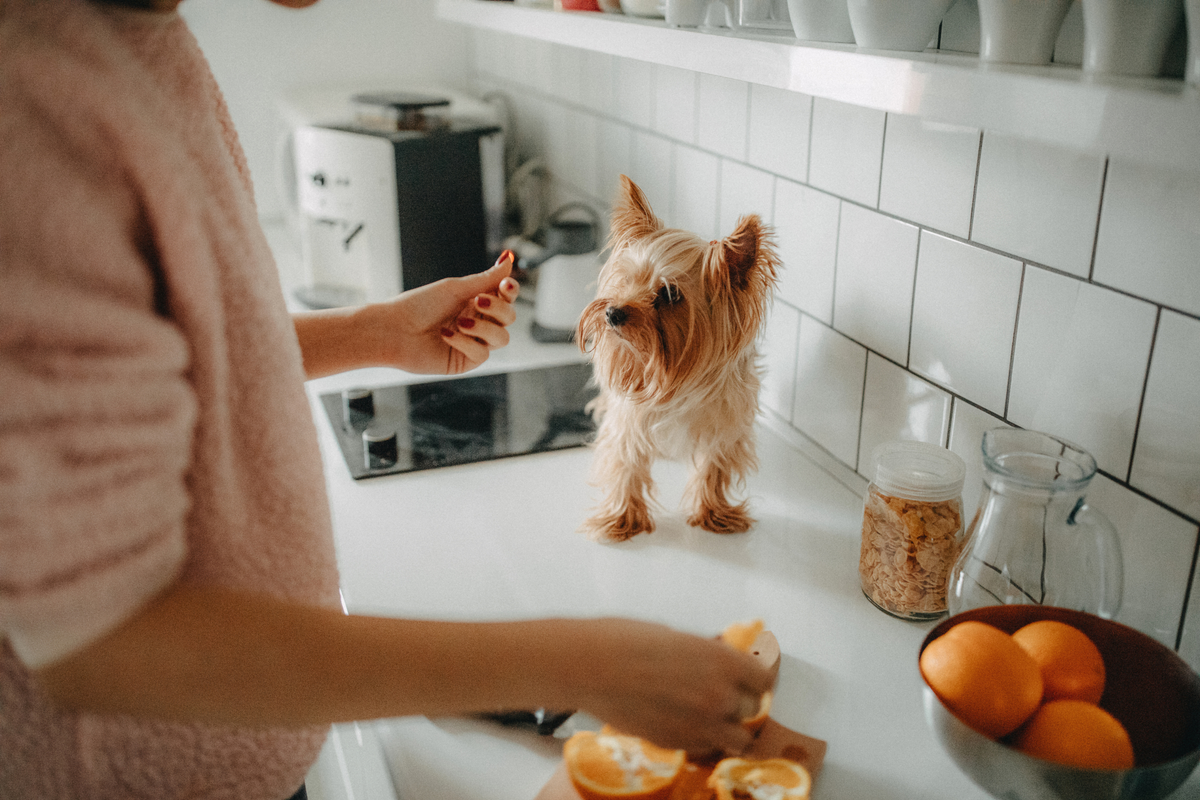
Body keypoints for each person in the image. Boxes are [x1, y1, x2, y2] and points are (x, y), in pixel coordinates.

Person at [0, 0, 774, 798]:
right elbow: (100, 639)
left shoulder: (146, 38)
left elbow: (172, 342)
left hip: (248, 734)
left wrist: (371, 332)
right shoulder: (38, 89)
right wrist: (585, 663)